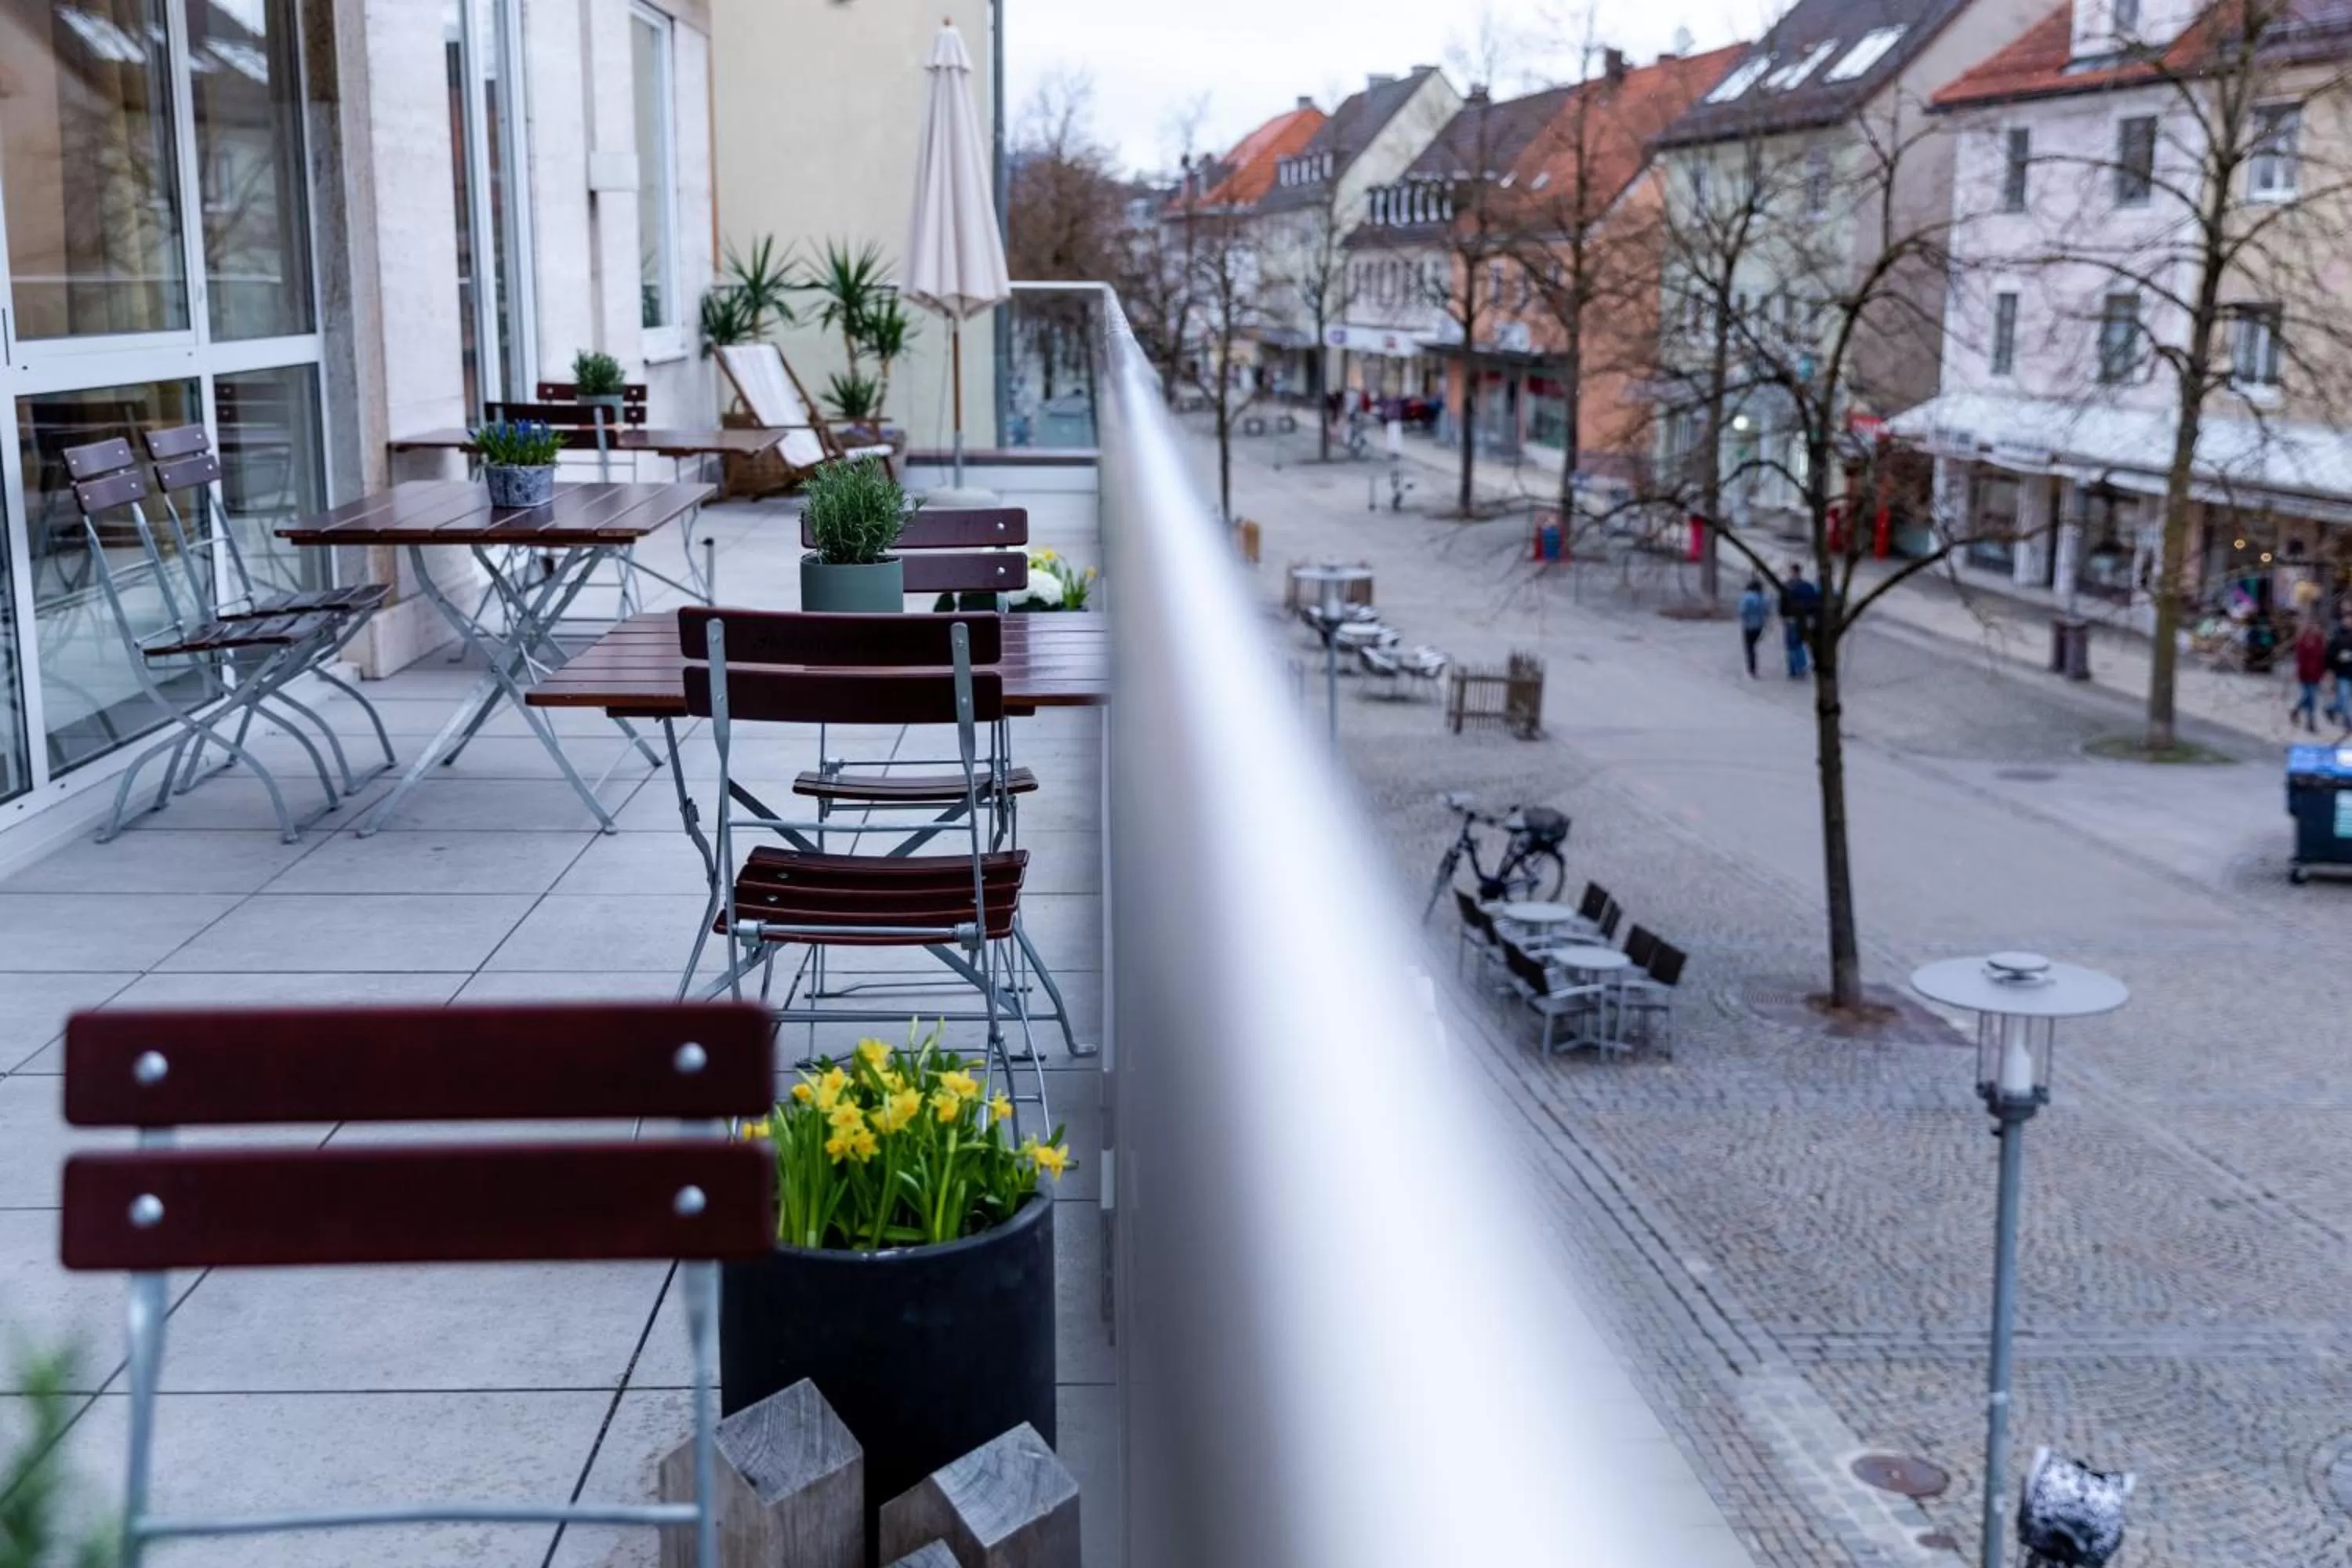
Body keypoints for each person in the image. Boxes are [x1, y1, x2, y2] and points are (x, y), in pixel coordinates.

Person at [1780, 566, 1821, 679]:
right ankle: (1800, 667)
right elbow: (1814, 601)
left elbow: (1783, 604)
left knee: (1792, 644)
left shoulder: (1787, 587)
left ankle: (1794, 669)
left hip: (1792, 619)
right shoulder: (1807, 586)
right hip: (1805, 618)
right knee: (1799, 643)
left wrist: (1783, 616)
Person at [2293, 619, 2327, 731]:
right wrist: (2297, 672)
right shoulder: (2303, 641)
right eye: (2314, 627)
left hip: (2316, 674)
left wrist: (2323, 672)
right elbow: (2299, 658)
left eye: (2318, 628)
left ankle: (2306, 718)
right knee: (2309, 697)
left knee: (2311, 698)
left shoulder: (2320, 642)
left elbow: (2323, 659)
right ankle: (2308, 720)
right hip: (2305, 674)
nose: (2316, 630)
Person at [1737, 577, 1769, 678]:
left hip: (1748, 625)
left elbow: (1742, 611)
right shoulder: (1762, 597)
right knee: (1753, 646)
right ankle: (1753, 669)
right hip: (1759, 626)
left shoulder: (1746, 597)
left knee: (1749, 648)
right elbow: (1766, 611)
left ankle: (1751, 669)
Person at [2326, 613, 2352, 728]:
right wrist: (2336, 662)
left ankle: (2331, 710)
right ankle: (2347, 721)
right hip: (2342, 672)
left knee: (2344, 698)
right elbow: (2330, 654)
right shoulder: (2337, 636)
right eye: (2347, 620)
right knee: (2345, 696)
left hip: (2350, 671)